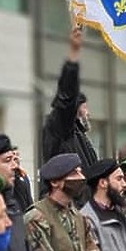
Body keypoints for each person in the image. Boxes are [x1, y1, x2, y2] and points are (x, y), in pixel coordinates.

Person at [42, 25, 98, 169]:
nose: (88, 112)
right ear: (76, 108)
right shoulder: (61, 127)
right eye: (85, 107)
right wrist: (73, 54)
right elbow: (66, 98)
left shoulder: (79, 133)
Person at [11, 146, 34, 211]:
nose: (16, 157)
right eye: (13, 155)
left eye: (17, 155)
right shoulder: (10, 176)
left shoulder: (24, 175)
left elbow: (29, 197)